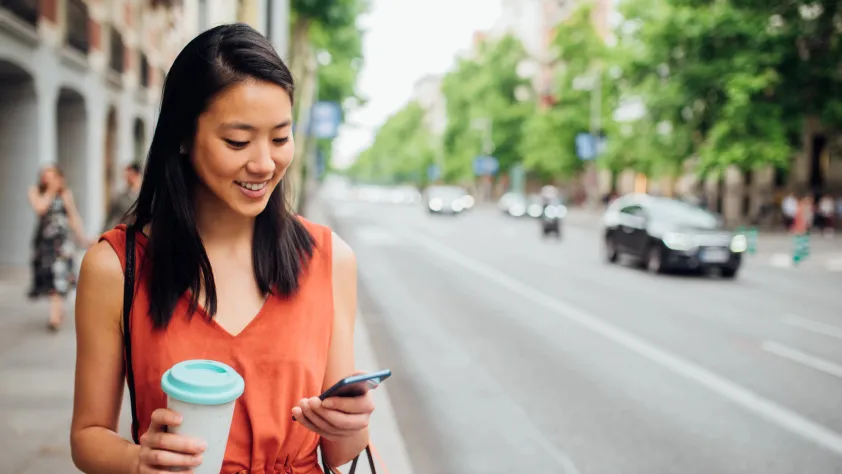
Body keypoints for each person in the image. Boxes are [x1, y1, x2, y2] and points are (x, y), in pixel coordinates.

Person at [70, 24, 374, 473]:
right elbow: (87, 436)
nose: (264, 163)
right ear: (182, 136)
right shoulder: (115, 266)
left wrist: (350, 425)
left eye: (279, 137)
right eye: (237, 141)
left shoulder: (331, 260)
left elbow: (341, 455)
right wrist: (138, 461)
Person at [27, 165, 90, 331]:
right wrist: (50, 191)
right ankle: (58, 308)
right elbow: (40, 208)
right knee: (50, 276)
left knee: (60, 274)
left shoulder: (65, 194)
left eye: (52, 176)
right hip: (45, 244)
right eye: (46, 177)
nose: (49, 180)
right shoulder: (36, 191)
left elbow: (73, 216)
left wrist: (83, 239)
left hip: (62, 244)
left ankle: (54, 316)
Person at [102, 162, 143, 231]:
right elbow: (110, 219)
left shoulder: (146, 196)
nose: (127, 178)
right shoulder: (120, 197)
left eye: (130, 175)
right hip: (123, 235)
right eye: (126, 175)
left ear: (137, 175)